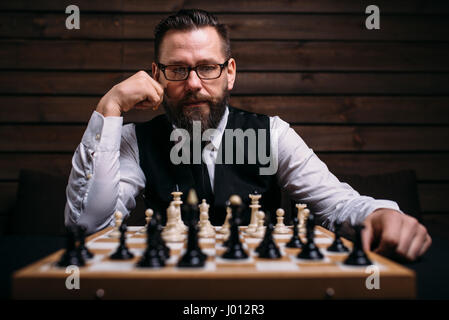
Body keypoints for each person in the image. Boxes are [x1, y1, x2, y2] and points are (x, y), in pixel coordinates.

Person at [64, 9, 431, 262]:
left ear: (230, 73)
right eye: (177, 69)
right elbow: (88, 227)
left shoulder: (272, 134)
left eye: (207, 67)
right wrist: (109, 107)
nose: (194, 84)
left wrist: (381, 213)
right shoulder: (133, 141)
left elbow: (337, 205)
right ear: (157, 75)